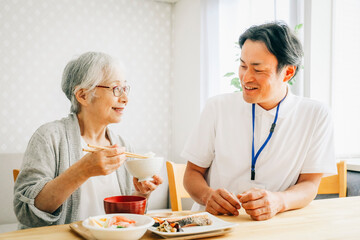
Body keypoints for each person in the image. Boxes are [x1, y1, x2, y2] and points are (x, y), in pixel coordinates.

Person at [182, 22, 336, 221]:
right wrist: (207, 195)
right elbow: (192, 173)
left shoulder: (316, 114)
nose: (246, 78)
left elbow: (309, 184)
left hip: (275, 225)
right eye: (243, 66)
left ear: (288, 72)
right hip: (214, 222)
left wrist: (279, 201)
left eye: (258, 69)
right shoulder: (217, 107)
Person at [13, 52, 163, 229]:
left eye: (125, 88)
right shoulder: (49, 137)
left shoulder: (122, 145)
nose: (125, 99)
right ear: (83, 95)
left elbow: (126, 222)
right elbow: (26, 212)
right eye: (116, 89)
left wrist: (140, 194)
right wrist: (82, 170)